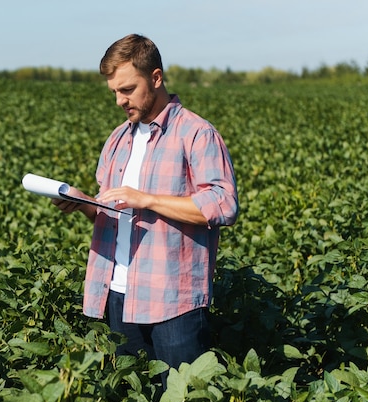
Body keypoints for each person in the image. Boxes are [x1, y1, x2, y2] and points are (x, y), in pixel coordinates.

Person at [52, 34, 239, 377]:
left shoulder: (196, 134)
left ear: (156, 78)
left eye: (127, 89)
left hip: (172, 301)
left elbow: (223, 204)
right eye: (114, 93)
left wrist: (147, 199)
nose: (120, 101)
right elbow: (111, 214)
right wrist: (82, 203)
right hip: (118, 295)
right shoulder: (118, 139)